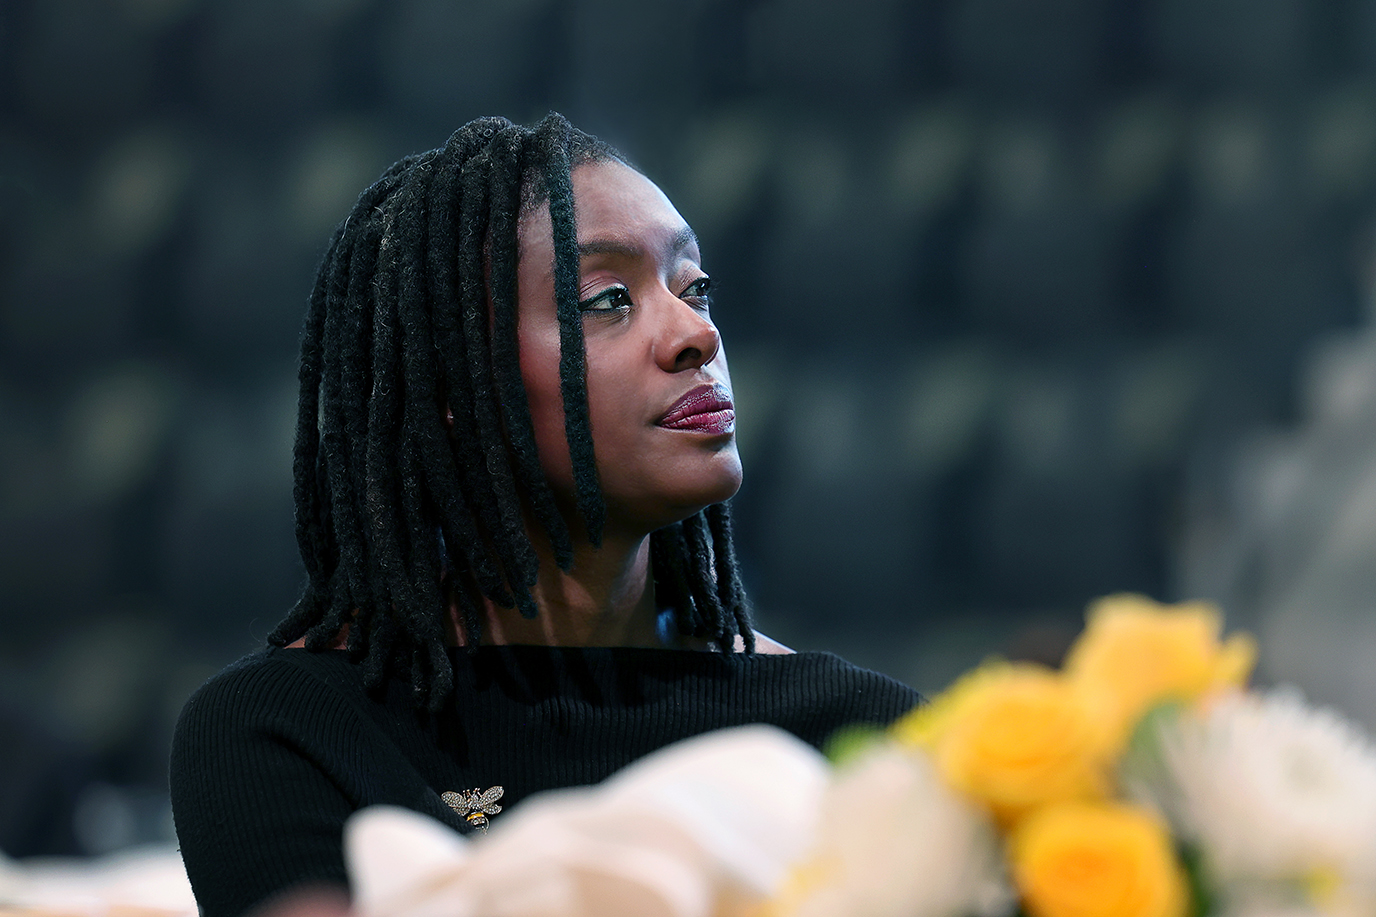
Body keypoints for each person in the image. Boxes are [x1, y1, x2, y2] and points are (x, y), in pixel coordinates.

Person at [170, 113, 922, 917]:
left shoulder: (853, 732)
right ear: (456, 389)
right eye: (607, 299)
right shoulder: (287, 732)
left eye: (693, 286)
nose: (695, 333)